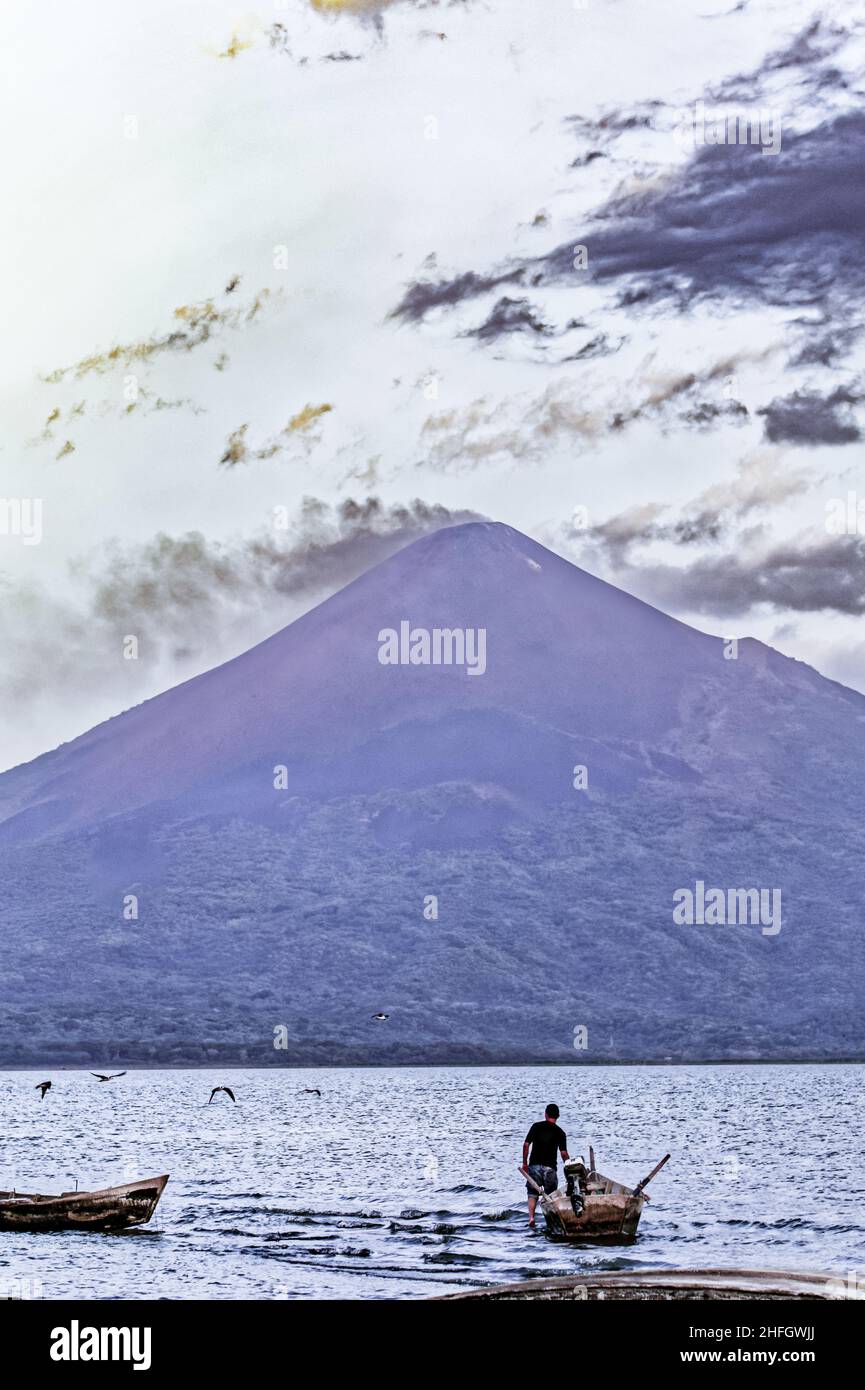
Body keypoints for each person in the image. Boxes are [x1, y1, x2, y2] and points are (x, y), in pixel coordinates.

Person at [521, 1103, 569, 1226]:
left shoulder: (536, 1127)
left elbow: (526, 1144)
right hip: (550, 1169)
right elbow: (563, 1154)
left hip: (534, 1166)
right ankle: (550, 1221)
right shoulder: (560, 1132)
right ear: (558, 1116)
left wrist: (525, 1163)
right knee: (550, 1196)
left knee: (532, 1194)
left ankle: (531, 1218)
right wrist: (569, 1166)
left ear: (545, 1114)